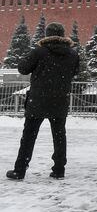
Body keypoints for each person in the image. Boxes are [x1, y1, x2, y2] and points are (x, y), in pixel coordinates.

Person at [6, 22, 79, 180]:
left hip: (38, 100)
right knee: (59, 136)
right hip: (60, 101)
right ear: (62, 34)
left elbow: (23, 68)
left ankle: (20, 170)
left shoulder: (40, 52)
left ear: (47, 35)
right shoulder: (73, 54)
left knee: (29, 137)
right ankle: (59, 169)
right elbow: (75, 71)